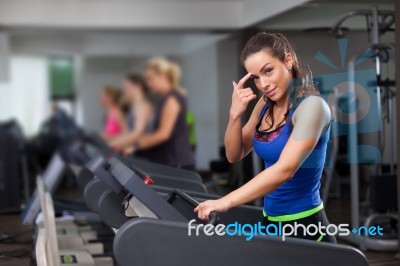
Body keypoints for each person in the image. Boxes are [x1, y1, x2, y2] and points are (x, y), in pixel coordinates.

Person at [195, 32, 336, 243]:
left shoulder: (312, 107)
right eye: (256, 78)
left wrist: (225, 202)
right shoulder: (264, 104)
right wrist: (234, 115)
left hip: (305, 226)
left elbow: (285, 169)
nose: (263, 84)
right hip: (270, 221)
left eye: (268, 71)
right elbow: (234, 154)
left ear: (288, 60)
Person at [128, 57, 195, 169]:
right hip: (167, 160)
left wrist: (135, 146)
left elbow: (163, 134)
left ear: (163, 76)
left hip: (176, 161)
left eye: (150, 79)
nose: (148, 84)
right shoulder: (164, 99)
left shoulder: (172, 99)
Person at [110, 74, 153, 154]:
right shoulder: (134, 106)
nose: (125, 90)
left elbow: (138, 132)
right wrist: (112, 141)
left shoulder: (143, 106)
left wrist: (114, 143)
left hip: (142, 152)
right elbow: (127, 132)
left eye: (127, 87)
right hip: (133, 150)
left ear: (137, 86)